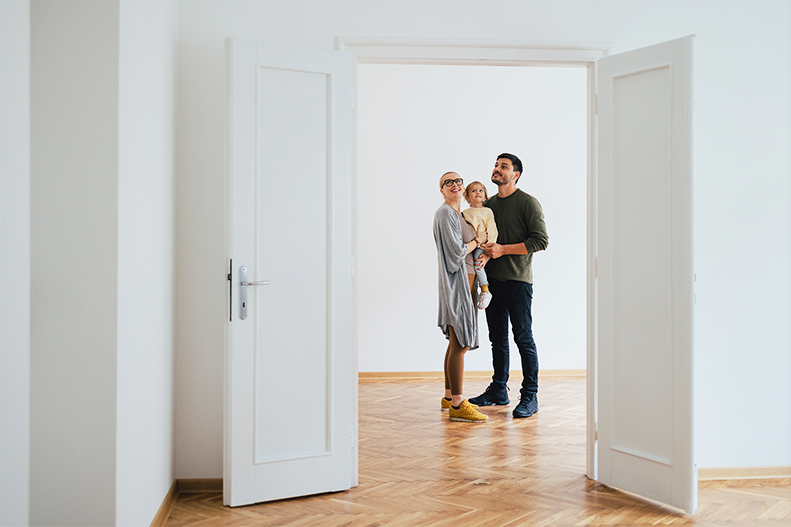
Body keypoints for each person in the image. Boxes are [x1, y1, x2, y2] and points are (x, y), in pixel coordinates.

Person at [469, 153, 549, 419]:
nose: (497, 169)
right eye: (495, 165)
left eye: (503, 166)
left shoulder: (527, 203)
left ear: (515, 174)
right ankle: (498, 390)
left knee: (523, 339)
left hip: (518, 282)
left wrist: (503, 250)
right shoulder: (487, 205)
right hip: (491, 284)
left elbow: (540, 241)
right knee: (498, 340)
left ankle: (530, 396)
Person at [433, 171, 489, 423]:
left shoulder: (458, 215)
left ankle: (448, 397)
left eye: (458, 181)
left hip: (466, 284)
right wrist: (478, 241)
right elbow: (456, 253)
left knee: (456, 342)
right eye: (448, 182)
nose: (454, 185)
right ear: (441, 190)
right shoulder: (445, 214)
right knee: (461, 343)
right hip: (457, 285)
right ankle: (457, 403)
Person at [461, 181, 498, 310]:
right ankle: (475, 288)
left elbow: (492, 229)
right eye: (474, 191)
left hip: (481, 246)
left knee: (478, 263)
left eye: (481, 191)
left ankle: (485, 290)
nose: (478, 192)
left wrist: (489, 248)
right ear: (467, 197)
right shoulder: (464, 213)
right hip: (469, 245)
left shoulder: (487, 211)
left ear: (485, 196)